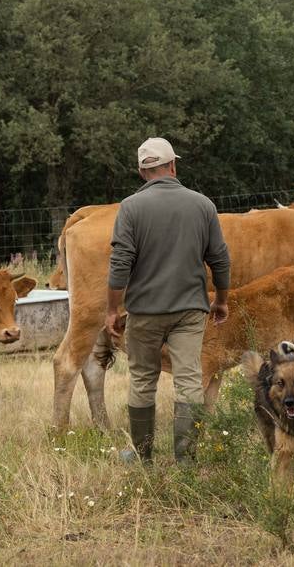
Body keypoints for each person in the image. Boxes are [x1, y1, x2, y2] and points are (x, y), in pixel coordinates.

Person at [106, 137, 231, 464]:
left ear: (141, 171)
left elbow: (120, 263)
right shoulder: (203, 205)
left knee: (143, 379)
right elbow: (220, 259)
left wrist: (112, 310)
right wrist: (222, 300)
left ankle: (142, 457)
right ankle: (186, 461)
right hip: (190, 310)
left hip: (144, 311)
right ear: (173, 165)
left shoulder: (130, 208)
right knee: (189, 380)